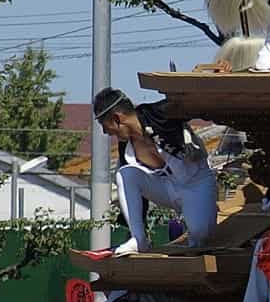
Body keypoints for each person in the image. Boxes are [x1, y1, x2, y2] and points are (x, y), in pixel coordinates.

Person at [92, 87, 218, 257]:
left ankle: (200, 217)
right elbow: (134, 194)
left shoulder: (158, 114)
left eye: (104, 125)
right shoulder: (126, 146)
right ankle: (139, 240)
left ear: (116, 119)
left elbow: (192, 105)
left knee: (200, 235)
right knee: (125, 174)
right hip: (165, 189)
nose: (105, 132)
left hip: (196, 184)